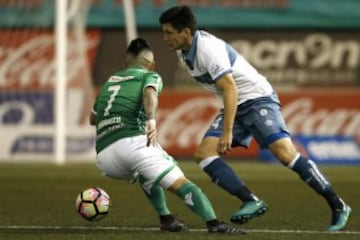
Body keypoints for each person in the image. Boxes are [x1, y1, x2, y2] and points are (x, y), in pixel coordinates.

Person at [158, 5, 351, 232]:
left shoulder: (207, 49)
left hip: (258, 99)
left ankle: (338, 205)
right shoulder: (185, 52)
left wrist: (227, 132)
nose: (165, 38)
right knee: (204, 154)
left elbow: (230, 88)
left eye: (169, 32)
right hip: (237, 104)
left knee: (285, 154)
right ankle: (250, 200)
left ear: (186, 33)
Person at [90, 37, 245, 234]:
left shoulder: (109, 83)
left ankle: (166, 219)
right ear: (152, 65)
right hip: (134, 144)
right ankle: (214, 223)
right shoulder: (150, 76)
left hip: (105, 158)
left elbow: (92, 119)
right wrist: (151, 120)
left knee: (145, 173)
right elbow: (149, 94)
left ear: (124, 64)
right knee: (182, 185)